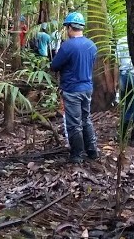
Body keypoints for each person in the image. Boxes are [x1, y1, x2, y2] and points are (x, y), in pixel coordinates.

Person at [51, 12, 100, 163]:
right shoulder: (91, 45)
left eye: (67, 27)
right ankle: (92, 151)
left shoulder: (67, 46)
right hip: (87, 88)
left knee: (74, 123)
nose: (67, 31)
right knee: (86, 119)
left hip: (72, 90)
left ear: (71, 27)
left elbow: (54, 66)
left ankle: (77, 155)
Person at [116, 35, 134, 146]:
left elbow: (117, 62)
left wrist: (116, 82)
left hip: (124, 75)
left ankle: (122, 137)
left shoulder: (121, 40)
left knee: (127, 106)